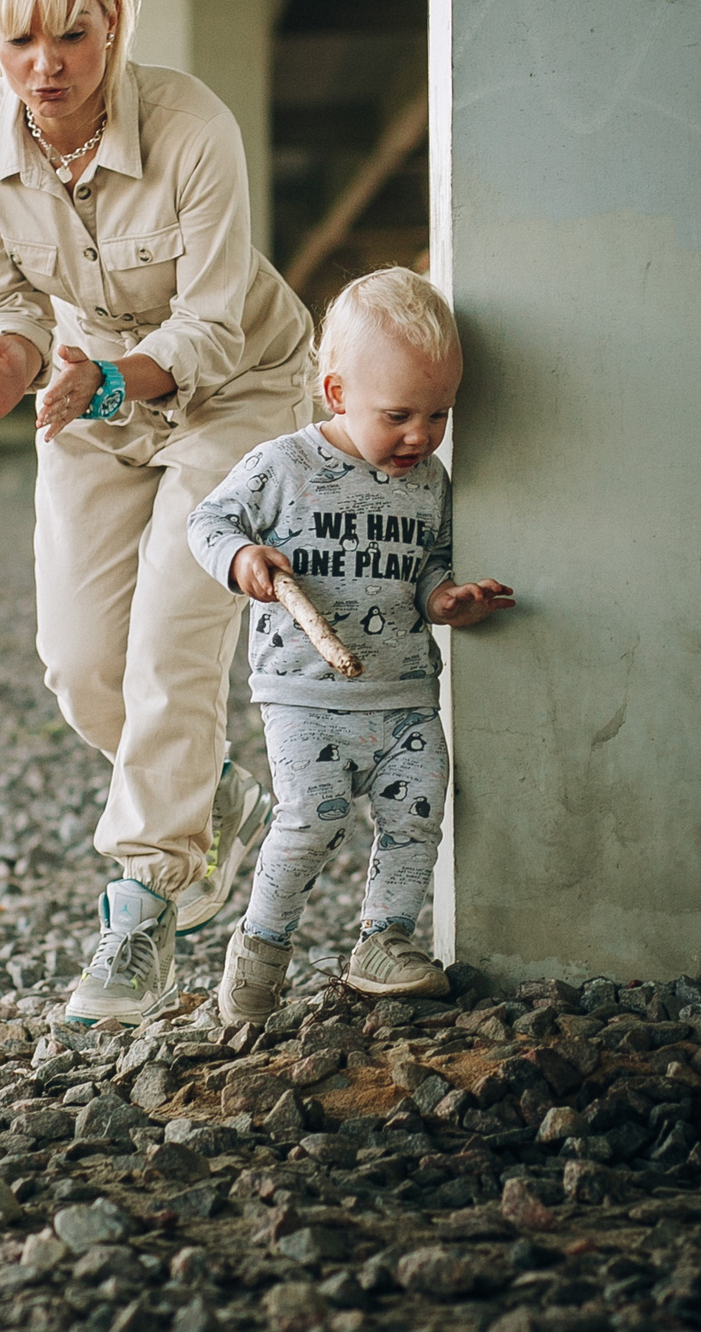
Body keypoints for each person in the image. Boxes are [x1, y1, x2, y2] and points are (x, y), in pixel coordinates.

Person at [0, 0, 313, 1028]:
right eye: (17, 44)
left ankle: (143, 909)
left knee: (170, 643)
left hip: (233, 385)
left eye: (73, 39)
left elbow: (205, 325)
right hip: (86, 389)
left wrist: (106, 382)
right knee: (85, 668)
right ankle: (217, 795)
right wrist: (5, 360)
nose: (45, 69)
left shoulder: (193, 126)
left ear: (114, 17)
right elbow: (1, 301)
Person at [186, 269, 515, 1026]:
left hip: (403, 694)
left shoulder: (429, 480)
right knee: (314, 815)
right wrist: (241, 559)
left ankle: (384, 939)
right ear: (336, 394)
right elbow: (209, 521)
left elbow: (431, 560)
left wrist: (444, 599)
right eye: (399, 414)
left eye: (439, 415)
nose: (421, 436)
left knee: (418, 814)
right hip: (304, 693)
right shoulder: (282, 466)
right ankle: (261, 951)